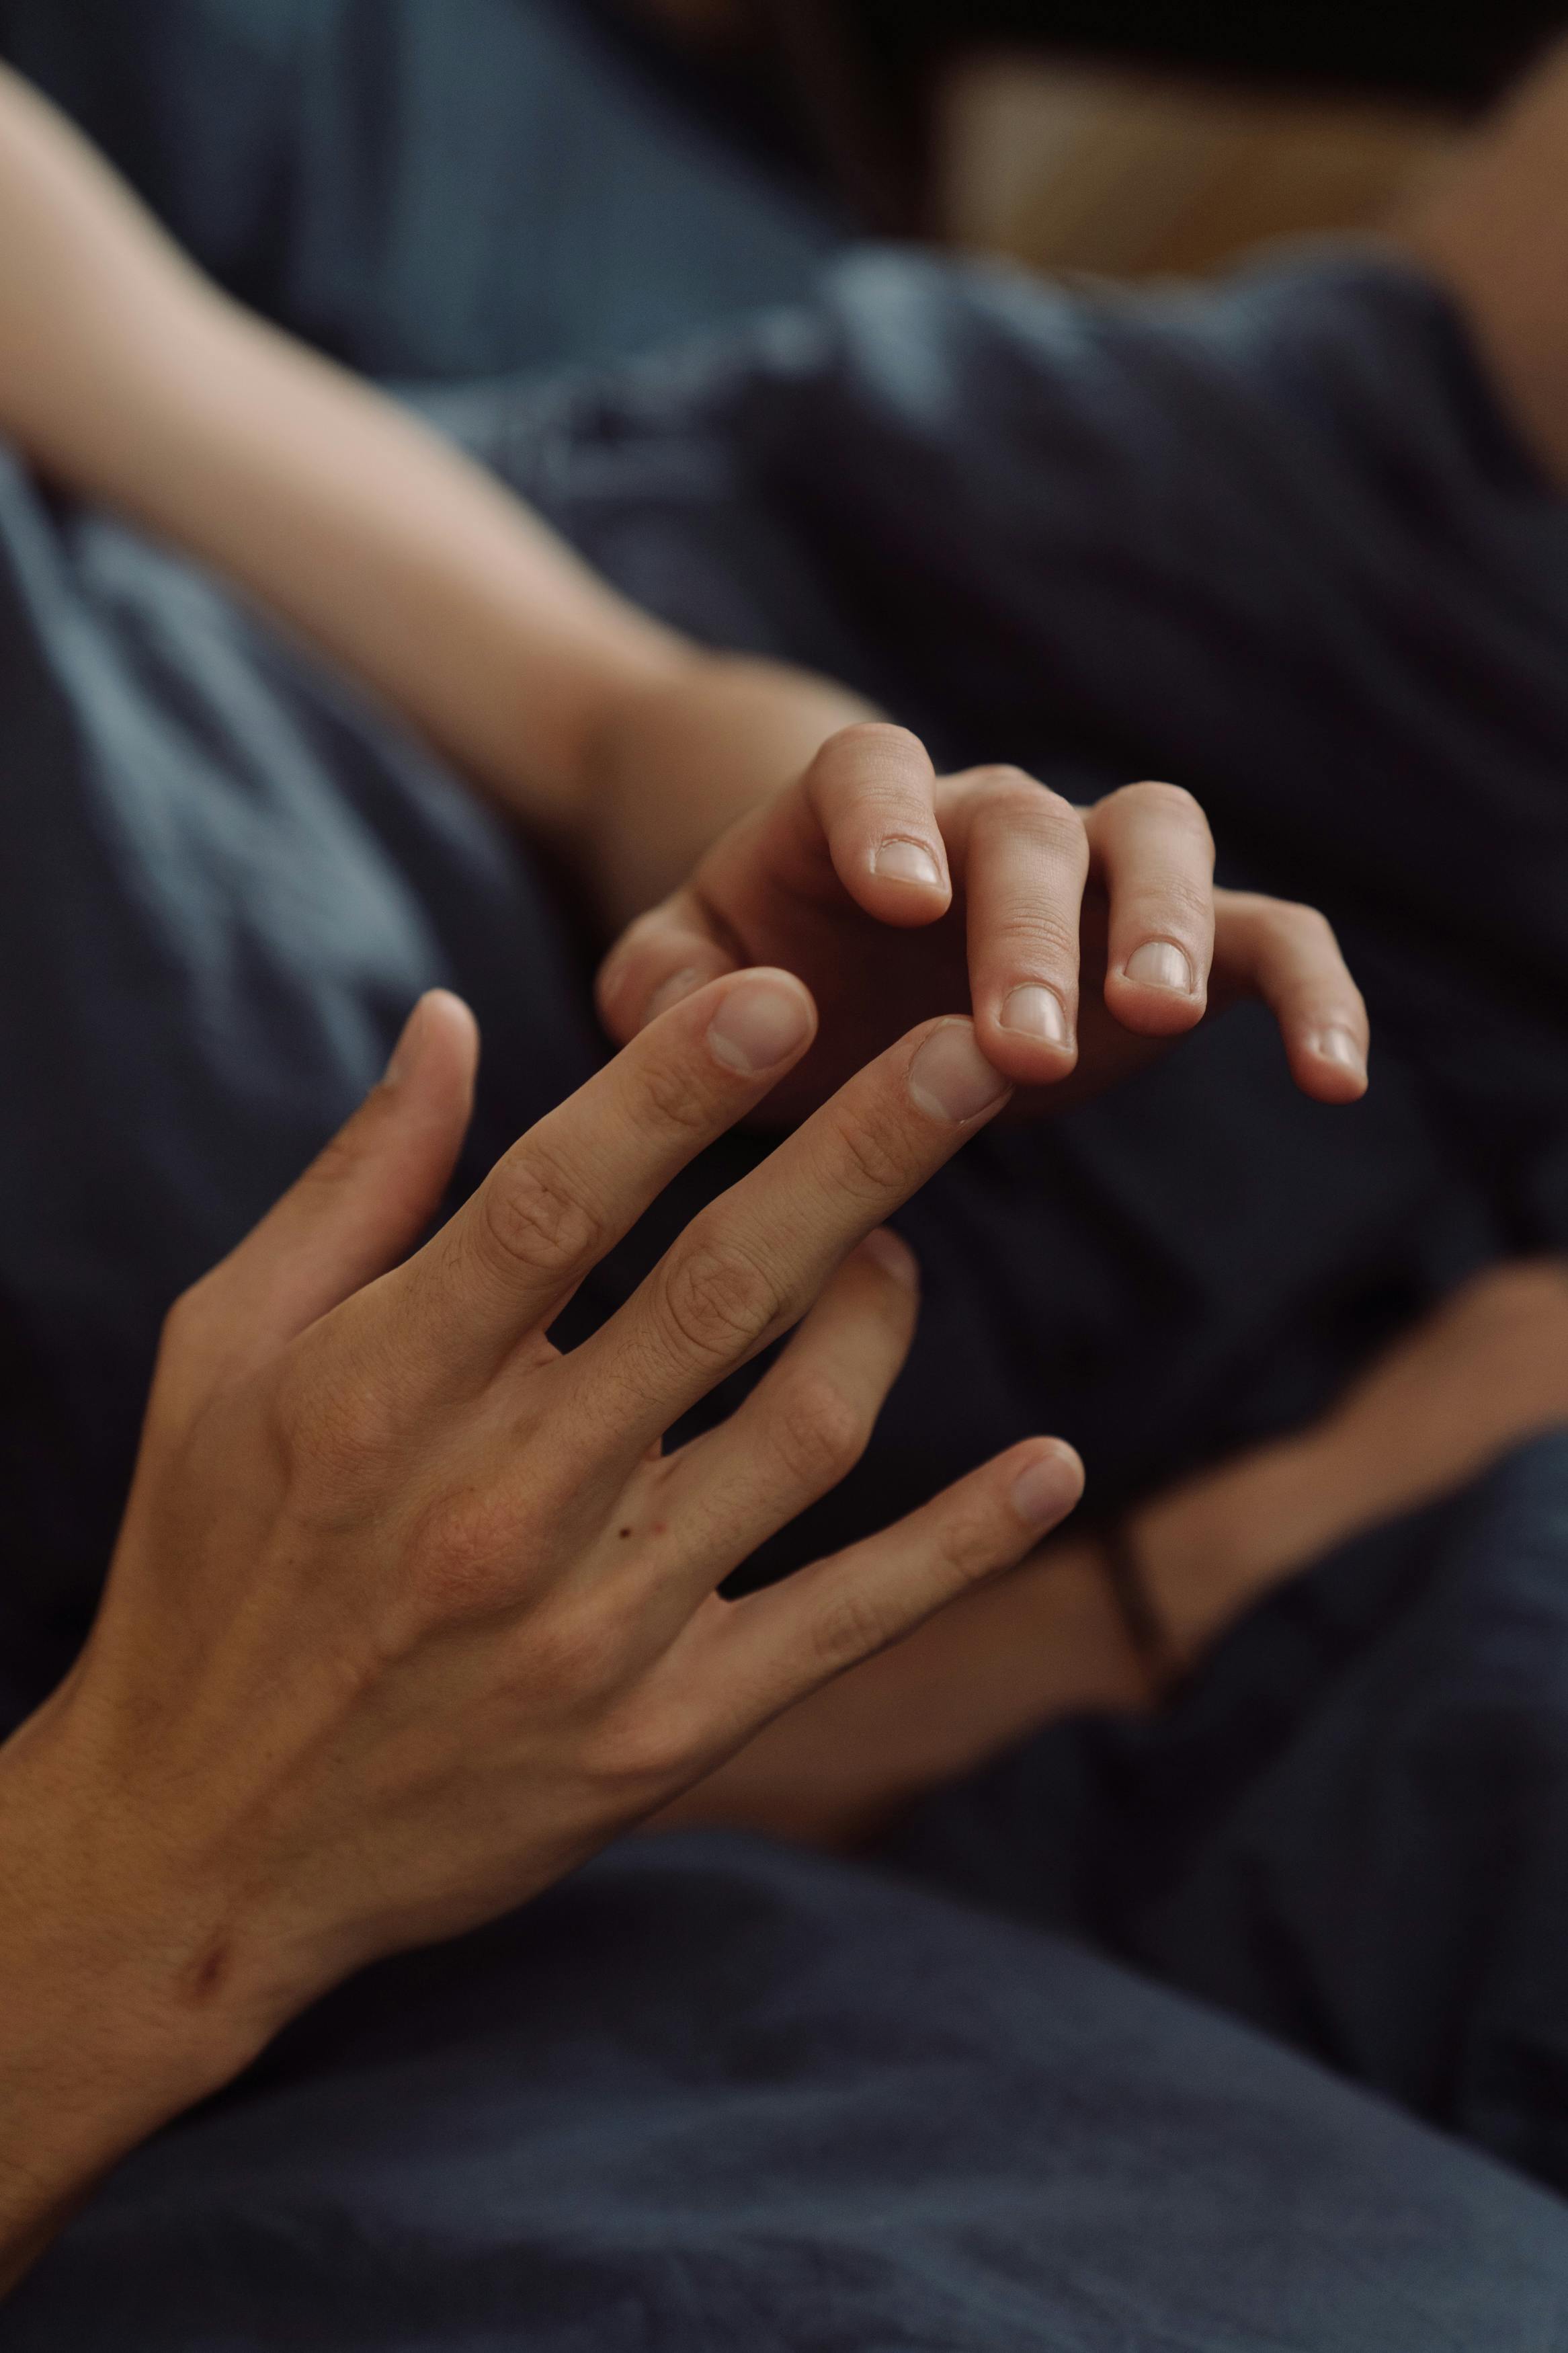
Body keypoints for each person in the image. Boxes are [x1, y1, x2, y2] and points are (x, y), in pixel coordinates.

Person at [1, 33, 1568, 2347]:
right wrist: (161, 1830)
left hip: (572, 774)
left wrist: (686, 748)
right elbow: (323, 1790)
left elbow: (136, 346)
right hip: (618, 1735)